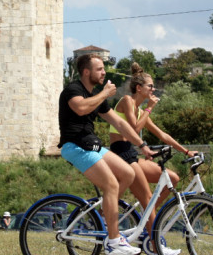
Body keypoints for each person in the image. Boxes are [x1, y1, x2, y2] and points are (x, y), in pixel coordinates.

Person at [59, 54, 154, 255]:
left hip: (91, 146)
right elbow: (81, 108)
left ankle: (105, 212)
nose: (104, 72)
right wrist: (104, 93)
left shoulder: (96, 95)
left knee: (128, 174)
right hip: (74, 146)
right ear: (87, 72)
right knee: (111, 184)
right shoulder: (73, 90)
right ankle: (113, 241)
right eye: (100, 69)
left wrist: (142, 145)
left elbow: (119, 124)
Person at [110, 63, 197, 255]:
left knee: (172, 180)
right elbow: (133, 129)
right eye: (150, 86)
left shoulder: (141, 111)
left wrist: (187, 152)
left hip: (131, 153)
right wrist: (149, 108)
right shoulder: (127, 100)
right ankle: (157, 246)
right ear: (139, 88)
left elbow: (162, 134)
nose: (153, 89)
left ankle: (146, 217)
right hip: (120, 153)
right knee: (148, 198)